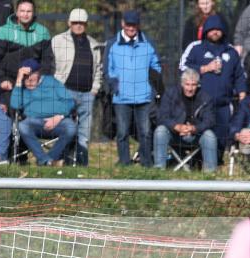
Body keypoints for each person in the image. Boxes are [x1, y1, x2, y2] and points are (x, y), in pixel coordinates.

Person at [181, 15, 246, 151]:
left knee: (222, 137)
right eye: (211, 29)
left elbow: (239, 75)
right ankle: (198, 161)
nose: (215, 32)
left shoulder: (231, 51)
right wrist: (205, 68)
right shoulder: (196, 48)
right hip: (201, 104)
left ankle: (219, 162)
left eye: (218, 29)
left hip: (223, 103)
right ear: (206, 31)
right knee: (202, 135)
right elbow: (183, 68)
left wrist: (242, 94)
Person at [106, 10, 160, 167]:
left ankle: (146, 162)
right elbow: (108, 69)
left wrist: (153, 89)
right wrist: (115, 86)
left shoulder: (148, 43)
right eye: (128, 24)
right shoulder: (112, 44)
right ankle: (124, 162)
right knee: (122, 133)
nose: (131, 28)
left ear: (138, 25)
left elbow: (156, 67)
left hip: (144, 97)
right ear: (123, 23)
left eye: (134, 25)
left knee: (145, 132)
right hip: (121, 97)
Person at [50, 8, 101, 166]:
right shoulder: (58, 41)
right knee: (65, 128)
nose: (78, 26)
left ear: (86, 24)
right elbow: (50, 65)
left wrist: (95, 89)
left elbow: (99, 68)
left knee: (84, 132)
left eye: (82, 23)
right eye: (75, 23)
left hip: (87, 94)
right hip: (65, 91)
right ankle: (61, 158)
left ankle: (81, 163)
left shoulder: (94, 44)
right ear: (69, 23)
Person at [10, 59, 77, 167]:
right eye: (26, 77)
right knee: (22, 126)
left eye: (32, 75)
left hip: (59, 121)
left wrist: (58, 117)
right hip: (34, 123)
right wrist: (18, 80)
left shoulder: (52, 82)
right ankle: (46, 161)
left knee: (71, 127)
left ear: (39, 74)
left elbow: (70, 102)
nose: (29, 80)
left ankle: (48, 159)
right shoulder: (21, 88)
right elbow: (15, 105)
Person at [153, 69, 218, 172]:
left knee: (210, 135)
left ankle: (210, 173)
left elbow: (210, 120)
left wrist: (194, 128)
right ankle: (159, 169)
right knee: (160, 130)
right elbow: (162, 116)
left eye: (193, 85)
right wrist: (177, 126)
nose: (190, 88)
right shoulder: (170, 94)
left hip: (196, 135)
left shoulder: (206, 98)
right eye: (187, 84)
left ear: (198, 85)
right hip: (174, 134)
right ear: (182, 83)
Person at [0, 0, 51, 105]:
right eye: (22, 11)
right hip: (9, 83)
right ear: (17, 12)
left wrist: (41, 77)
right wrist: (2, 79)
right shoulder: (3, 31)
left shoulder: (43, 32)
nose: (25, 14)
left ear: (33, 13)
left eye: (29, 11)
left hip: (34, 83)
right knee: (9, 112)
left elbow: (47, 60)